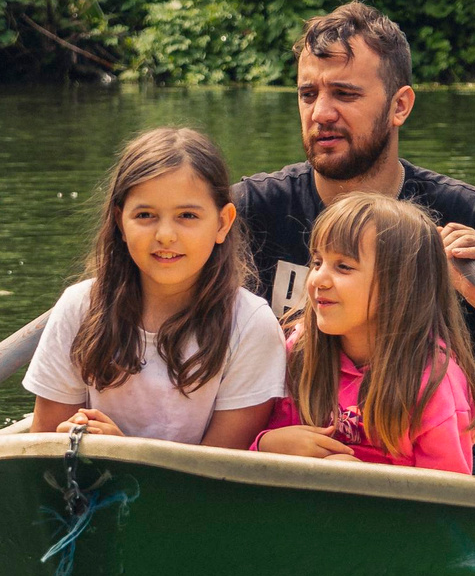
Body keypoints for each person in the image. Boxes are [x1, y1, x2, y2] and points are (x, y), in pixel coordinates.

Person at [233, 2, 475, 489]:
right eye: (307, 93)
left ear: (399, 105)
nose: (320, 113)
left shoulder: (463, 214)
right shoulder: (247, 211)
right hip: (286, 454)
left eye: (344, 93)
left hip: (427, 463)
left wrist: (473, 285)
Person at [26, 126, 286, 447]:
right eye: (145, 215)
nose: (165, 234)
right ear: (121, 222)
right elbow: (42, 448)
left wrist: (123, 451)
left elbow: (220, 475)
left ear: (222, 223)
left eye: (187, 215)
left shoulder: (251, 325)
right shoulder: (79, 307)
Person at [252, 193, 475, 472]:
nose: (318, 280)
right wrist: (267, 446)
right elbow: (256, 465)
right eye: (316, 263)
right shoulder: (300, 351)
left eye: (343, 267)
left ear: (399, 285)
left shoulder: (434, 384)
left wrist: (359, 479)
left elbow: (448, 501)